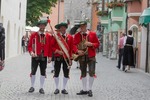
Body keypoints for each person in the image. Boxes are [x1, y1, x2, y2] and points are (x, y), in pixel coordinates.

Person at [73, 21, 100, 97]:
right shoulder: (77, 35)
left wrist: (91, 44)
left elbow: (97, 44)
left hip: (91, 56)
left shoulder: (92, 34)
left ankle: (90, 89)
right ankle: (84, 89)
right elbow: (74, 45)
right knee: (83, 72)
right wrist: (77, 51)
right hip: (82, 56)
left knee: (91, 72)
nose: (81, 28)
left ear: (86, 26)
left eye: (83, 26)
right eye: (80, 27)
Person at [28, 20, 52, 94]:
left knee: (43, 72)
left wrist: (50, 56)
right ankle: (32, 86)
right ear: (39, 26)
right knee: (33, 71)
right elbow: (29, 46)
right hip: (35, 56)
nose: (42, 27)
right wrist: (31, 52)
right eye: (41, 25)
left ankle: (41, 87)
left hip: (44, 56)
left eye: (43, 25)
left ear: (45, 26)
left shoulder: (48, 36)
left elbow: (50, 47)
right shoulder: (33, 35)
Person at [51, 22, 73, 95]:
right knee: (56, 73)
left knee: (66, 73)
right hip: (58, 57)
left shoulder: (70, 37)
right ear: (59, 29)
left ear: (66, 28)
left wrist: (70, 59)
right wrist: (57, 51)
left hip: (66, 58)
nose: (63, 29)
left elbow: (71, 49)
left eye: (64, 27)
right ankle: (57, 88)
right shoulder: (56, 37)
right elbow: (52, 46)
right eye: (61, 28)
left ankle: (64, 88)